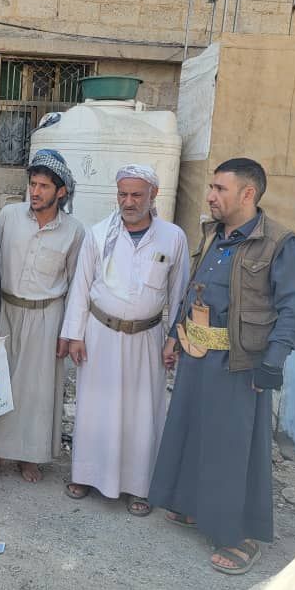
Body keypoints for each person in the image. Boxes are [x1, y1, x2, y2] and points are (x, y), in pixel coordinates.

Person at [149, 158, 295, 575]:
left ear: (247, 194)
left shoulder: (280, 244)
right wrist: (176, 335)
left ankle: (240, 535)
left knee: (233, 449)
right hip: (197, 355)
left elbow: (293, 311)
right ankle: (192, 505)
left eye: (219, 188)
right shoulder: (213, 235)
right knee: (192, 431)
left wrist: (272, 364)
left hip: (240, 364)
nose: (210, 196)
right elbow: (193, 291)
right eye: (211, 188)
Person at [60, 165, 190, 516]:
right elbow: (81, 287)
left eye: (136, 195)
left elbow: (179, 294)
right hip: (100, 336)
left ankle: (140, 487)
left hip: (147, 339)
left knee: (142, 413)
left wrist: (174, 339)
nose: (128, 202)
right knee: (95, 408)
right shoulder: (98, 234)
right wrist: (74, 335)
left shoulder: (172, 237)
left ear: (153, 195)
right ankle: (86, 476)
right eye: (123, 194)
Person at [0, 149, 85, 482]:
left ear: (61, 191)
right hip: (5, 310)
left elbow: (76, 284)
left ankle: (30, 456)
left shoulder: (74, 231)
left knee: (37, 391)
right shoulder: (9, 216)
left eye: (43, 186)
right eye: (33, 184)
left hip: (46, 316)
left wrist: (69, 331)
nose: (35, 192)